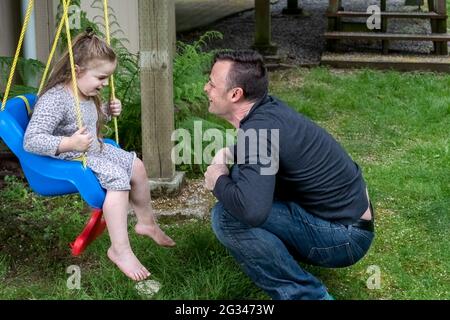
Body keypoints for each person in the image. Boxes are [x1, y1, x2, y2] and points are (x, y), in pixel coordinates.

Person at [203, 50, 374, 300]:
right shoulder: (267, 111)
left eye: (211, 83)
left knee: (227, 216)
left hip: (346, 238)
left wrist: (217, 179)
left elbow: (252, 211)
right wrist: (232, 152)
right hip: (349, 220)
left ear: (235, 94)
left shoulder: (258, 132)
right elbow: (265, 149)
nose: (206, 88)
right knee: (241, 177)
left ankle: (308, 296)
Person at [24, 31, 175, 282]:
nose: (104, 83)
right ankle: (120, 250)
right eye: (101, 77)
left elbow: (83, 120)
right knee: (117, 177)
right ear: (77, 70)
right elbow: (32, 140)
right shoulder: (55, 99)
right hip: (69, 158)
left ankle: (146, 222)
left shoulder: (86, 94)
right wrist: (69, 142)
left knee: (135, 166)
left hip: (91, 149)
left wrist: (105, 111)